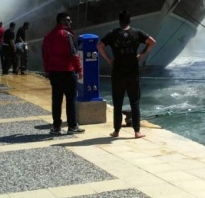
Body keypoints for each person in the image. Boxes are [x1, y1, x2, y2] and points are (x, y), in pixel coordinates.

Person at [97, 10, 156, 139]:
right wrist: (141, 54)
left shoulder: (113, 34)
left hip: (118, 71)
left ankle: (116, 131)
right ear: (129, 21)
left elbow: (100, 45)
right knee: (134, 101)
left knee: (117, 102)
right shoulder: (136, 33)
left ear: (119, 21)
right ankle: (137, 131)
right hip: (133, 72)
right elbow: (152, 42)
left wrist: (108, 59)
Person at [42, 12, 84, 135]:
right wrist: (80, 70)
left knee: (56, 100)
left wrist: (46, 70)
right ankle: (72, 126)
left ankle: (56, 126)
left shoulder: (48, 36)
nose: (70, 22)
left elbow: (45, 55)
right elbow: (73, 54)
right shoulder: (67, 35)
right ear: (61, 21)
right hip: (67, 71)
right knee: (71, 100)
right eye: (68, 20)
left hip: (54, 72)